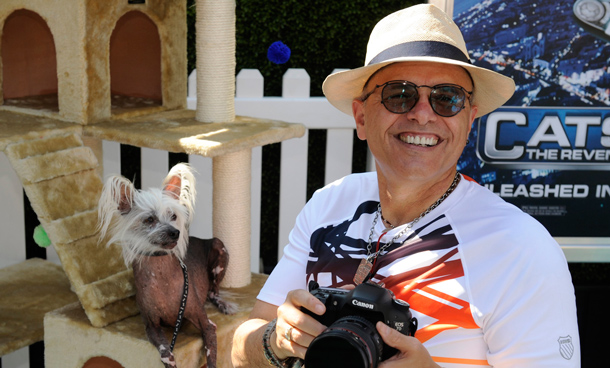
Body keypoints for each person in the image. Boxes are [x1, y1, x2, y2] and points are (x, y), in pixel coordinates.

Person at [232, 4, 580, 368]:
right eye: (399, 94)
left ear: (469, 120)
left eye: (447, 98)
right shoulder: (329, 204)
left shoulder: (521, 248)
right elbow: (243, 346)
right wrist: (276, 339)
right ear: (362, 117)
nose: (423, 113)